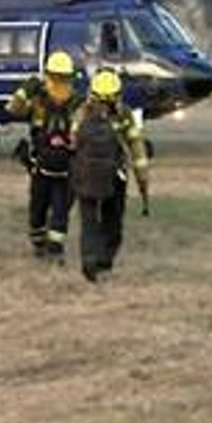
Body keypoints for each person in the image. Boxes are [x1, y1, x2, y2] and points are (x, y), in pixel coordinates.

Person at [70, 69, 150, 282]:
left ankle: (89, 259)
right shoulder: (125, 114)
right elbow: (137, 148)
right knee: (112, 220)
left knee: (88, 222)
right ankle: (104, 259)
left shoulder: (81, 113)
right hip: (115, 177)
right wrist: (143, 181)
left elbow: (72, 144)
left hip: (85, 175)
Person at [5, 50, 84, 263]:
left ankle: (55, 249)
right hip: (40, 165)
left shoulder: (77, 104)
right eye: (57, 78)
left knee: (60, 210)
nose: (59, 84)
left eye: (62, 79)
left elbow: (80, 132)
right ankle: (40, 244)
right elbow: (13, 109)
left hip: (67, 166)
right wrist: (23, 92)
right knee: (38, 211)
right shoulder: (37, 100)